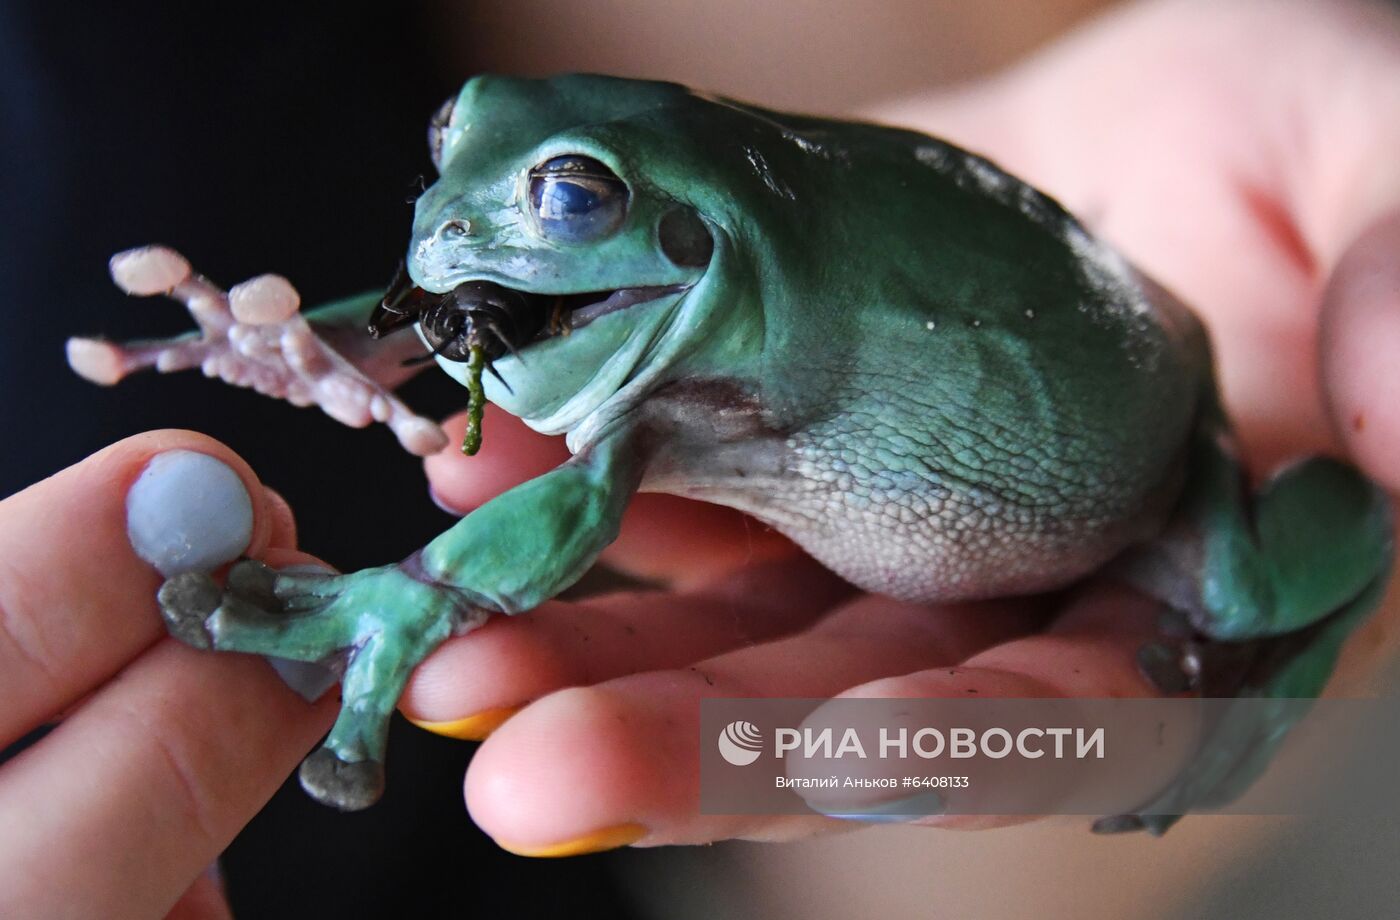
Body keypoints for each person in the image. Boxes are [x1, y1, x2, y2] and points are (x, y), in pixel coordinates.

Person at [2, 0, 1397, 916]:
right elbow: (449, 313)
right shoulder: (638, 324)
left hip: (1165, 467)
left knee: (1248, 591)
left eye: (564, 197)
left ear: (677, 237)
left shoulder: (689, 351)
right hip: (576, 862)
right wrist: (315, 339)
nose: (441, 214)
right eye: (451, 153)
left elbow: (568, 502)